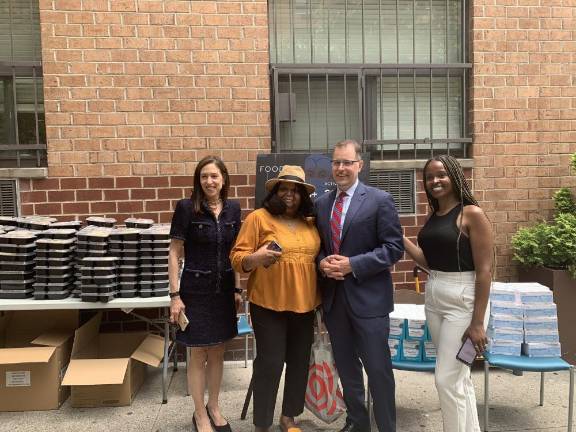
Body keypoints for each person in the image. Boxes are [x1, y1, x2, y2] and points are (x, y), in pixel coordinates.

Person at [315, 140, 404, 432]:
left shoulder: (380, 200)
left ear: (359, 165)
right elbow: (319, 248)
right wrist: (322, 263)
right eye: (336, 162)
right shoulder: (322, 204)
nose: (341, 168)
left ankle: (387, 427)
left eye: (347, 162)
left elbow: (393, 249)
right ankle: (357, 422)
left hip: (369, 301)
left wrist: (353, 264)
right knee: (347, 367)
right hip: (335, 300)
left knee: (378, 370)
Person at [403, 155, 493, 432]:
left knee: (445, 379)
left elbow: (485, 270)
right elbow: (430, 262)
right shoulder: (436, 216)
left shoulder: (472, 214)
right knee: (459, 378)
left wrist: (477, 323)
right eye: (429, 177)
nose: (435, 181)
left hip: (464, 301)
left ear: (454, 176)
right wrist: (399, 236)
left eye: (441, 174)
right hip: (435, 295)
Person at [230, 165, 320, 432]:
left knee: (299, 361)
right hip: (268, 303)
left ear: (304, 195)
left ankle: (288, 417)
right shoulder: (258, 218)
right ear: (275, 192)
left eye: (295, 190)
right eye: (284, 189)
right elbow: (236, 259)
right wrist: (256, 258)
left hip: (305, 304)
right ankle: (262, 423)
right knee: (270, 362)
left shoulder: (310, 223)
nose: (289, 194)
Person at [169, 155, 243, 432]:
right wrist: (175, 295)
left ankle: (214, 405)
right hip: (195, 292)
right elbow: (175, 252)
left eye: (214, 176)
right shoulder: (187, 208)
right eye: (204, 176)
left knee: (218, 350)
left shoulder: (234, 210)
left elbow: (236, 254)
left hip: (223, 292)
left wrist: (237, 288)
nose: (209, 181)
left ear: (223, 179)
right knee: (198, 353)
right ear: (198, 181)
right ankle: (200, 413)